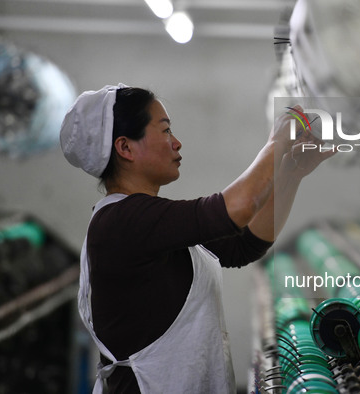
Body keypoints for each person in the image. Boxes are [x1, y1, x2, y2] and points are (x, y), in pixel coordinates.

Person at [60, 84, 334, 393]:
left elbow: (243, 245)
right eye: (165, 132)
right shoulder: (123, 221)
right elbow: (238, 208)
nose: (176, 143)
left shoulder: (146, 220)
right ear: (125, 148)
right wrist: (277, 142)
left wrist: (290, 173)